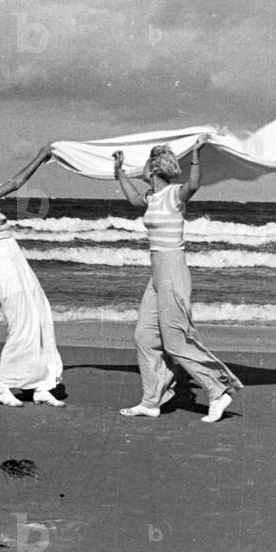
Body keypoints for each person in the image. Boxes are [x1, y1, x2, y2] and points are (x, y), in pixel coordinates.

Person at [113, 139, 242, 423]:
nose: (142, 169)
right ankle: (151, 401)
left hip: (172, 268)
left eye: (145, 164)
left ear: (153, 168)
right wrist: (119, 172)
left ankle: (218, 390)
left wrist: (195, 155)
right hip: (156, 271)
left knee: (174, 341)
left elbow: (193, 185)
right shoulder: (151, 197)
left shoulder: (174, 195)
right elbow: (134, 201)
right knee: (145, 337)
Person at [0, 147, 64, 408]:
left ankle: (41, 385)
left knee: (39, 314)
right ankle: (3, 387)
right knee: (20, 323)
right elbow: (16, 184)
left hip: (14, 258)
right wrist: (40, 157)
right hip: (4, 260)